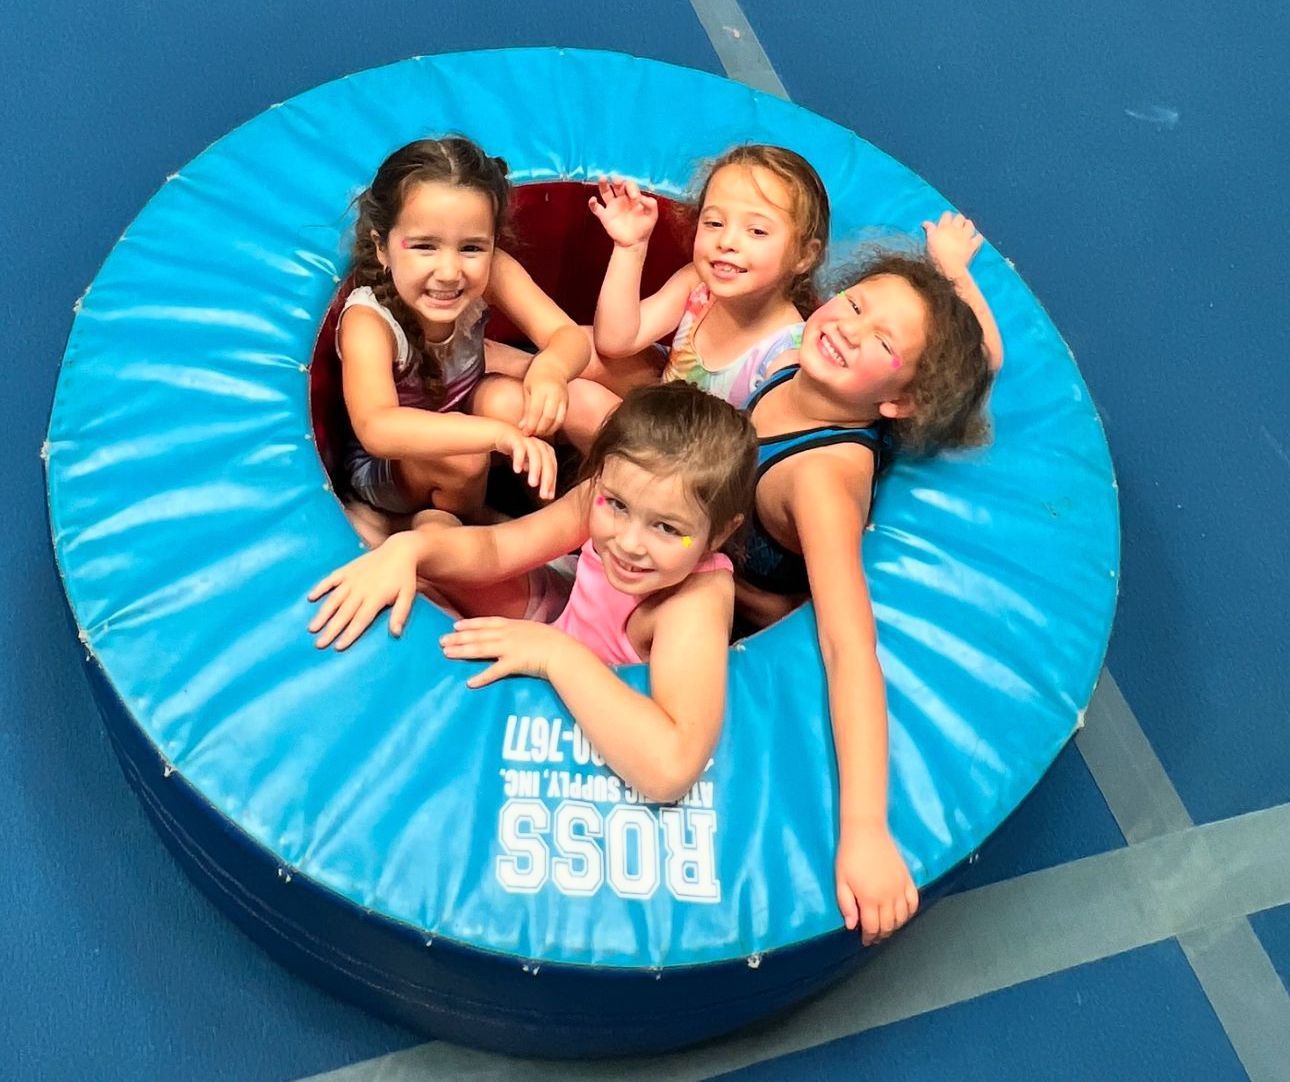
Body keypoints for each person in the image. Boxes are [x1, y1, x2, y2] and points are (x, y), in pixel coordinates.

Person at [735, 218, 999, 947]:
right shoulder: (817, 359)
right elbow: (988, 356)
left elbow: (851, 649)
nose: (851, 329)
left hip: (743, 585)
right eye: (855, 305)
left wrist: (864, 831)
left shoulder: (821, 485)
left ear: (900, 403)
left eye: (883, 343)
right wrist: (953, 272)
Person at [308, 382, 758, 803]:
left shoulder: (695, 598)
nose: (628, 542)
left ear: (719, 533)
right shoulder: (613, 494)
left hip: (587, 684)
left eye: (667, 528)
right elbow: (499, 547)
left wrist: (554, 655)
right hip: (555, 619)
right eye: (616, 506)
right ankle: (415, 528)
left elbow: (670, 769)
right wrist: (411, 550)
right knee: (425, 558)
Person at [338, 136, 589, 524]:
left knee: (515, 401)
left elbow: (567, 336)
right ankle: (472, 522)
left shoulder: (493, 273)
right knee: (465, 455)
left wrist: (551, 370)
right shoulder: (368, 321)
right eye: (424, 246)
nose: (450, 272)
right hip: (392, 467)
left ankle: (559, 507)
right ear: (383, 248)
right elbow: (378, 427)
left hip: (466, 415)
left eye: (471, 248)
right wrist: (495, 436)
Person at [555, 145, 830, 449]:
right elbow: (615, 341)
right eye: (714, 223)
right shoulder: (697, 286)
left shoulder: (787, 353)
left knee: (583, 399)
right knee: (581, 351)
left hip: (694, 469)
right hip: (667, 414)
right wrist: (630, 248)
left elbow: (753, 462)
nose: (726, 241)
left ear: (805, 255)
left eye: (757, 231)